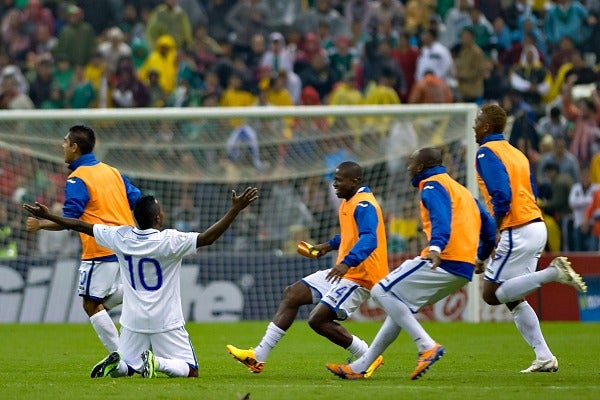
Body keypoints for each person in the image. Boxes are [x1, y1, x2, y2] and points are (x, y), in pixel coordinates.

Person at [23, 187, 259, 378]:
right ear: (159, 217)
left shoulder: (121, 236)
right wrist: (235, 210)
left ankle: (118, 365)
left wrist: (48, 217)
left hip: (132, 321)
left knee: (127, 366)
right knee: (191, 370)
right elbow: (208, 238)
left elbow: (81, 225)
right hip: (166, 321)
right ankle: (158, 362)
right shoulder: (170, 240)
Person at [326, 147, 496, 380]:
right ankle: (361, 366)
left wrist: (436, 247)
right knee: (398, 306)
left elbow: (441, 219)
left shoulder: (432, 185)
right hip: (463, 268)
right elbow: (489, 228)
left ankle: (426, 346)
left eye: (410, 164)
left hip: (442, 259)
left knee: (379, 290)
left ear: (420, 167)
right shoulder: (462, 191)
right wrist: (481, 258)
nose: (407, 168)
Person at [226, 161, 388, 374]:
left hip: (361, 276)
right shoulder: (349, 202)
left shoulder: (364, 204)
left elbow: (369, 239)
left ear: (355, 181)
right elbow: (350, 236)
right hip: (348, 272)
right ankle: (258, 356)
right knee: (293, 294)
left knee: (318, 320)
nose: (334, 185)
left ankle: (369, 357)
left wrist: (346, 263)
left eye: (339, 180)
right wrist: (327, 246)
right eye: (334, 180)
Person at [473, 104, 587, 373]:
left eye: (478, 121)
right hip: (536, 224)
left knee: (490, 294)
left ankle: (552, 273)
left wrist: (498, 229)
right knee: (514, 297)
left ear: (487, 126)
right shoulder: (518, 154)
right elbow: (531, 191)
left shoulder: (486, 152)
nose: (474, 125)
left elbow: (501, 195)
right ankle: (544, 356)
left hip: (517, 227)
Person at [25, 125, 142, 353]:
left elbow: (70, 220)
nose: (62, 146)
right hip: (127, 245)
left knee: (90, 304)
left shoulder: (77, 178)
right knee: (99, 302)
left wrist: (40, 224)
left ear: (75, 147)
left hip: (101, 247)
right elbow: (137, 199)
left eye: (65, 142)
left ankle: (122, 357)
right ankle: (137, 292)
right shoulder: (112, 171)